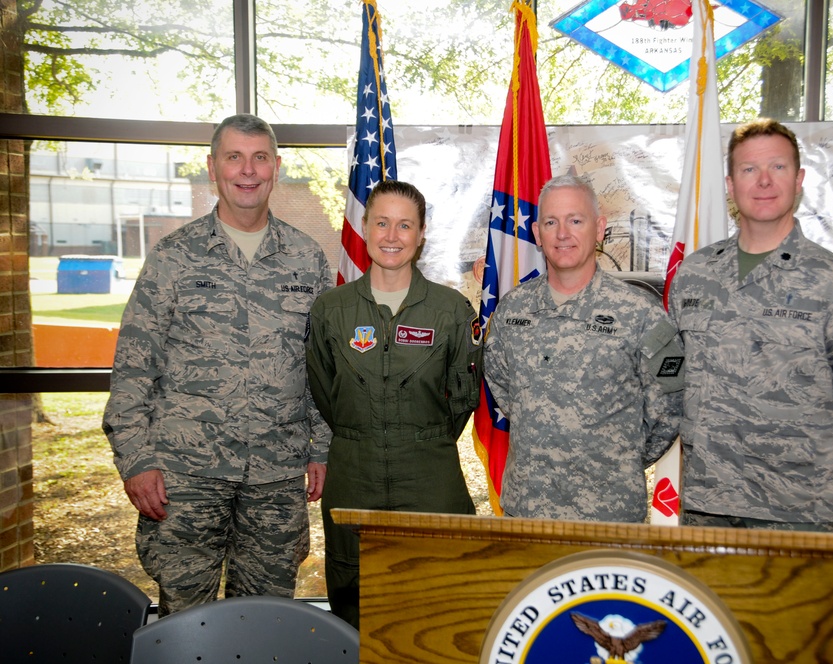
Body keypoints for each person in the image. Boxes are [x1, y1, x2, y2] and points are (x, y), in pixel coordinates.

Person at [103, 114, 334, 615]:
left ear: (276, 166)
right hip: (186, 477)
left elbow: (322, 366)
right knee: (186, 623)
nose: (247, 171)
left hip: (277, 476)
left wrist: (321, 447)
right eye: (234, 157)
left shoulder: (306, 259)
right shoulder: (174, 257)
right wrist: (136, 459)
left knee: (267, 620)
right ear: (213, 167)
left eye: (259, 157)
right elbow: (134, 367)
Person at [667, 118, 833, 533]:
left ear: (799, 179)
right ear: (730, 183)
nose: (762, 181)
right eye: (748, 169)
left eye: (777, 167)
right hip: (708, 509)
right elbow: (675, 378)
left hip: (803, 514)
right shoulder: (694, 275)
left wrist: (804, 449)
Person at [306, 180, 482, 629]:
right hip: (353, 470)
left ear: (421, 234)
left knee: (439, 601)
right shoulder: (332, 310)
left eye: (405, 225)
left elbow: (462, 398)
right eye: (382, 222)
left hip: (429, 474)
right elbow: (324, 390)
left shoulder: (450, 310)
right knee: (355, 601)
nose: (392, 235)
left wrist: (420, 439)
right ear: (364, 228)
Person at [483, 174, 684, 523]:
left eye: (576, 220)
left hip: (610, 515)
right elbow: (502, 386)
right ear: (537, 233)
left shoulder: (641, 315)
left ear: (600, 228)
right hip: (528, 509)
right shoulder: (512, 311)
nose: (563, 233)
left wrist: (618, 458)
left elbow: (671, 405)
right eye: (551, 222)